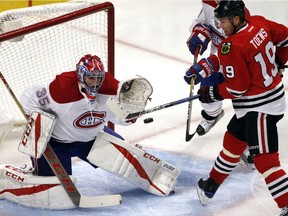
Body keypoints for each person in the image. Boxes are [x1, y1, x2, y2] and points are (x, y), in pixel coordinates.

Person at [4, 54, 180, 209]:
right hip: (55, 144)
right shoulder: (61, 90)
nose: (95, 83)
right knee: (57, 195)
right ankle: (13, 176)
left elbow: (120, 119)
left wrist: (129, 114)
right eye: (90, 78)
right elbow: (29, 96)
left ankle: (158, 177)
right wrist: (37, 122)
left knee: (128, 158)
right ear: (81, 75)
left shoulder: (110, 93)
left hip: (91, 140)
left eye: (98, 78)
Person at [184, 1, 288, 215]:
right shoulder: (259, 23)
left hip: (261, 108)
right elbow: (285, 36)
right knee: (233, 141)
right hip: (262, 100)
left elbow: (237, 88)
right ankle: (210, 185)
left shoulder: (232, 46)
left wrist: (212, 92)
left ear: (236, 18)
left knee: (266, 161)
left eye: (222, 21)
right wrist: (279, 62)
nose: (220, 26)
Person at [185, 0, 253, 164]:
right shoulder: (208, 3)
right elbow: (201, 21)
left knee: (245, 107)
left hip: (238, 66)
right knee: (205, 94)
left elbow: (239, 48)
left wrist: (210, 64)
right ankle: (212, 115)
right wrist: (199, 32)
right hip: (217, 60)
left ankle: (250, 144)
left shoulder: (240, 14)